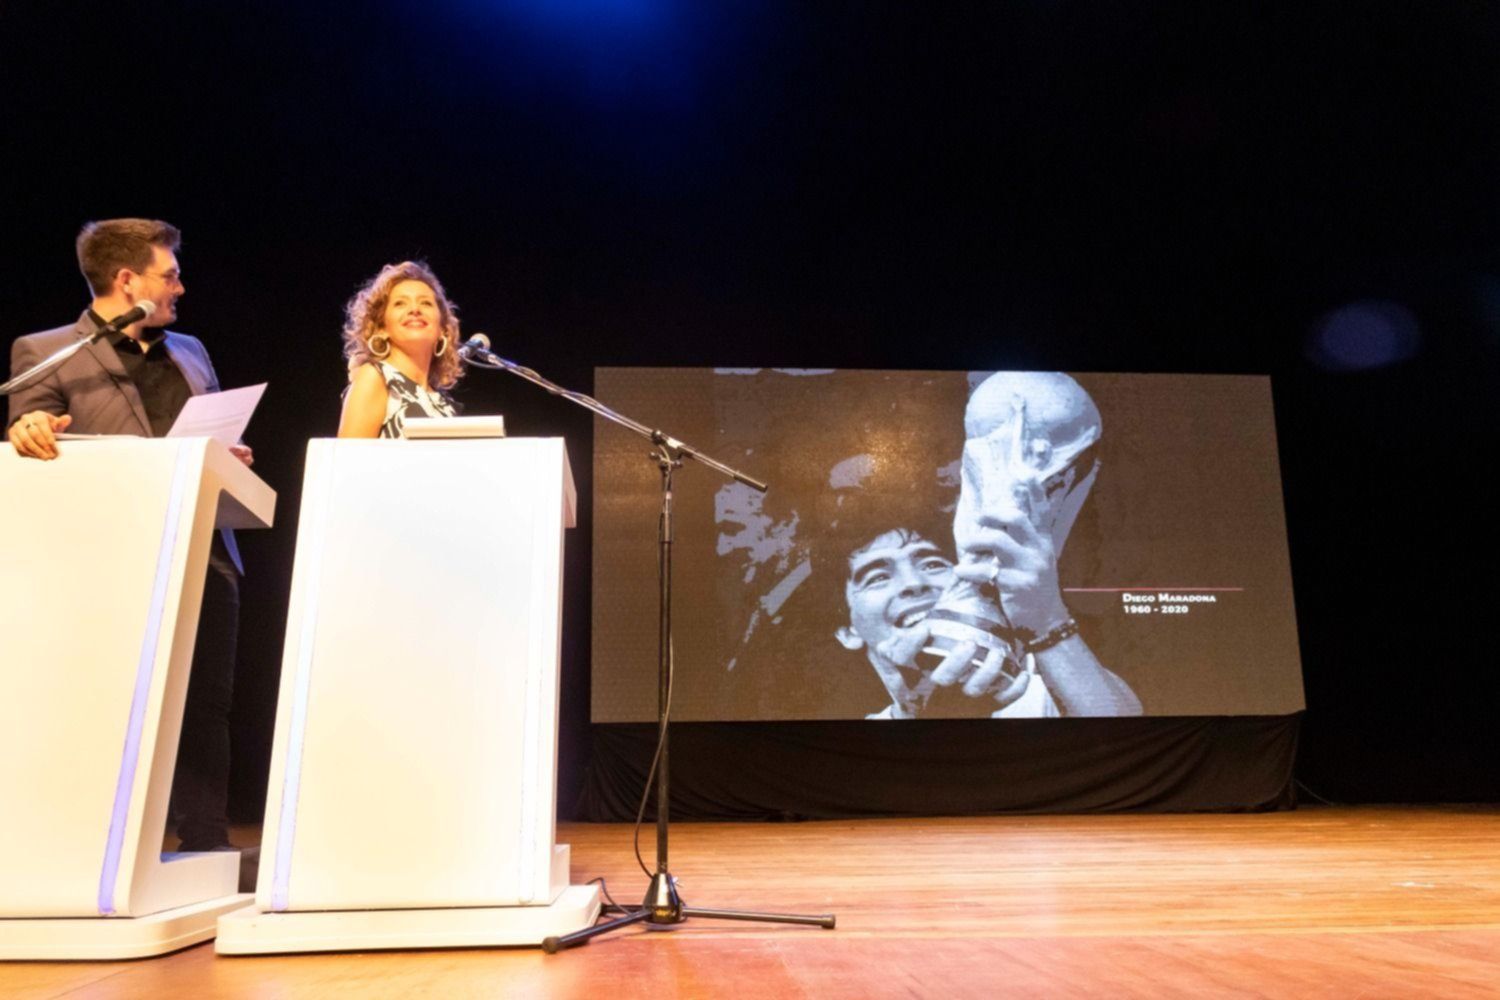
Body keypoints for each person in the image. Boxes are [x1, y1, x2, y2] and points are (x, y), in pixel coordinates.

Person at [7, 218, 254, 859]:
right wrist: (29, 426)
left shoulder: (191, 351)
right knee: (111, 699)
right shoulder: (46, 350)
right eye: (169, 275)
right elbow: (29, 425)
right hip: (114, 556)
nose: (180, 286)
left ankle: (206, 844)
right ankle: (96, 845)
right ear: (126, 281)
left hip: (203, 547)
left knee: (206, 703)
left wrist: (229, 455)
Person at [831, 371, 1141, 718]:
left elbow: (1128, 729)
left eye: (931, 563)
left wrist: (1047, 621)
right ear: (847, 631)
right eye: (877, 577)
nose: (914, 584)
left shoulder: (1047, 692)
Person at [337, 261, 463, 438]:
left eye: (426, 303)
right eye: (400, 303)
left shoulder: (445, 403)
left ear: (443, 328)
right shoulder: (375, 378)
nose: (415, 309)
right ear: (381, 328)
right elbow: (349, 455)